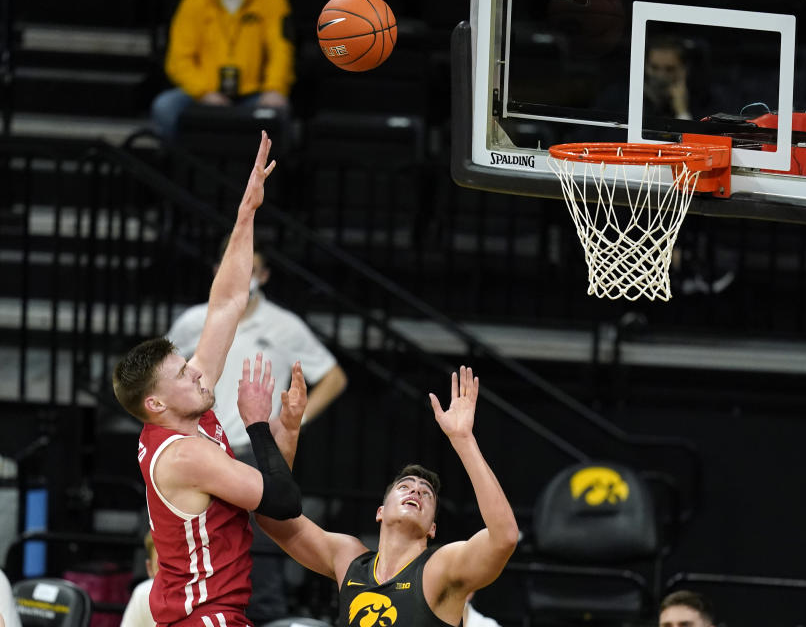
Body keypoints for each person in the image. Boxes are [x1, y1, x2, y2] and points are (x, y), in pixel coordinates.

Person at [112, 131, 306, 627]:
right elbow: (281, 502)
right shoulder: (186, 454)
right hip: (204, 617)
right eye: (181, 373)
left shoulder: (183, 414)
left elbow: (225, 304)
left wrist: (246, 216)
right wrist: (258, 425)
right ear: (156, 404)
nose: (196, 373)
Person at [166, 240, 347, 624]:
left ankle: (267, 619)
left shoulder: (285, 325)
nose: (242, 277)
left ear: (263, 277)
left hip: (252, 447)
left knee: (260, 553)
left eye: (252, 270)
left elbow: (333, 377)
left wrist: (291, 422)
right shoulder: (193, 322)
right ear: (217, 270)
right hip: (199, 447)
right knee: (190, 547)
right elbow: (164, 375)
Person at [257, 366, 519, 627]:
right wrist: (289, 435)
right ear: (380, 511)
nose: (416, 490)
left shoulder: (439, 569)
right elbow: (274, 519)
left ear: (432, 529)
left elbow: (504, 537)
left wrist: (464, 441)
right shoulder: (349, 559)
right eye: (404, 486)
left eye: (426, 493)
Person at [151, 0, 295, 140]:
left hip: (254, 94)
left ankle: (263, 163)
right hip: (202, 93)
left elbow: (281, 51)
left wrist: (274, 88)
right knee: (165, 106)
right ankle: (183, 161)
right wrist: (204, 92)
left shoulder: (272, 0)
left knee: (279, 109)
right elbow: (178, 60)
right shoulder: (194, 2)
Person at [120, 533, 160, 627]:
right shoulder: (142, 595)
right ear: (150, 569)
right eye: (162, 568)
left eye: (176, 568)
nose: (171, 576)